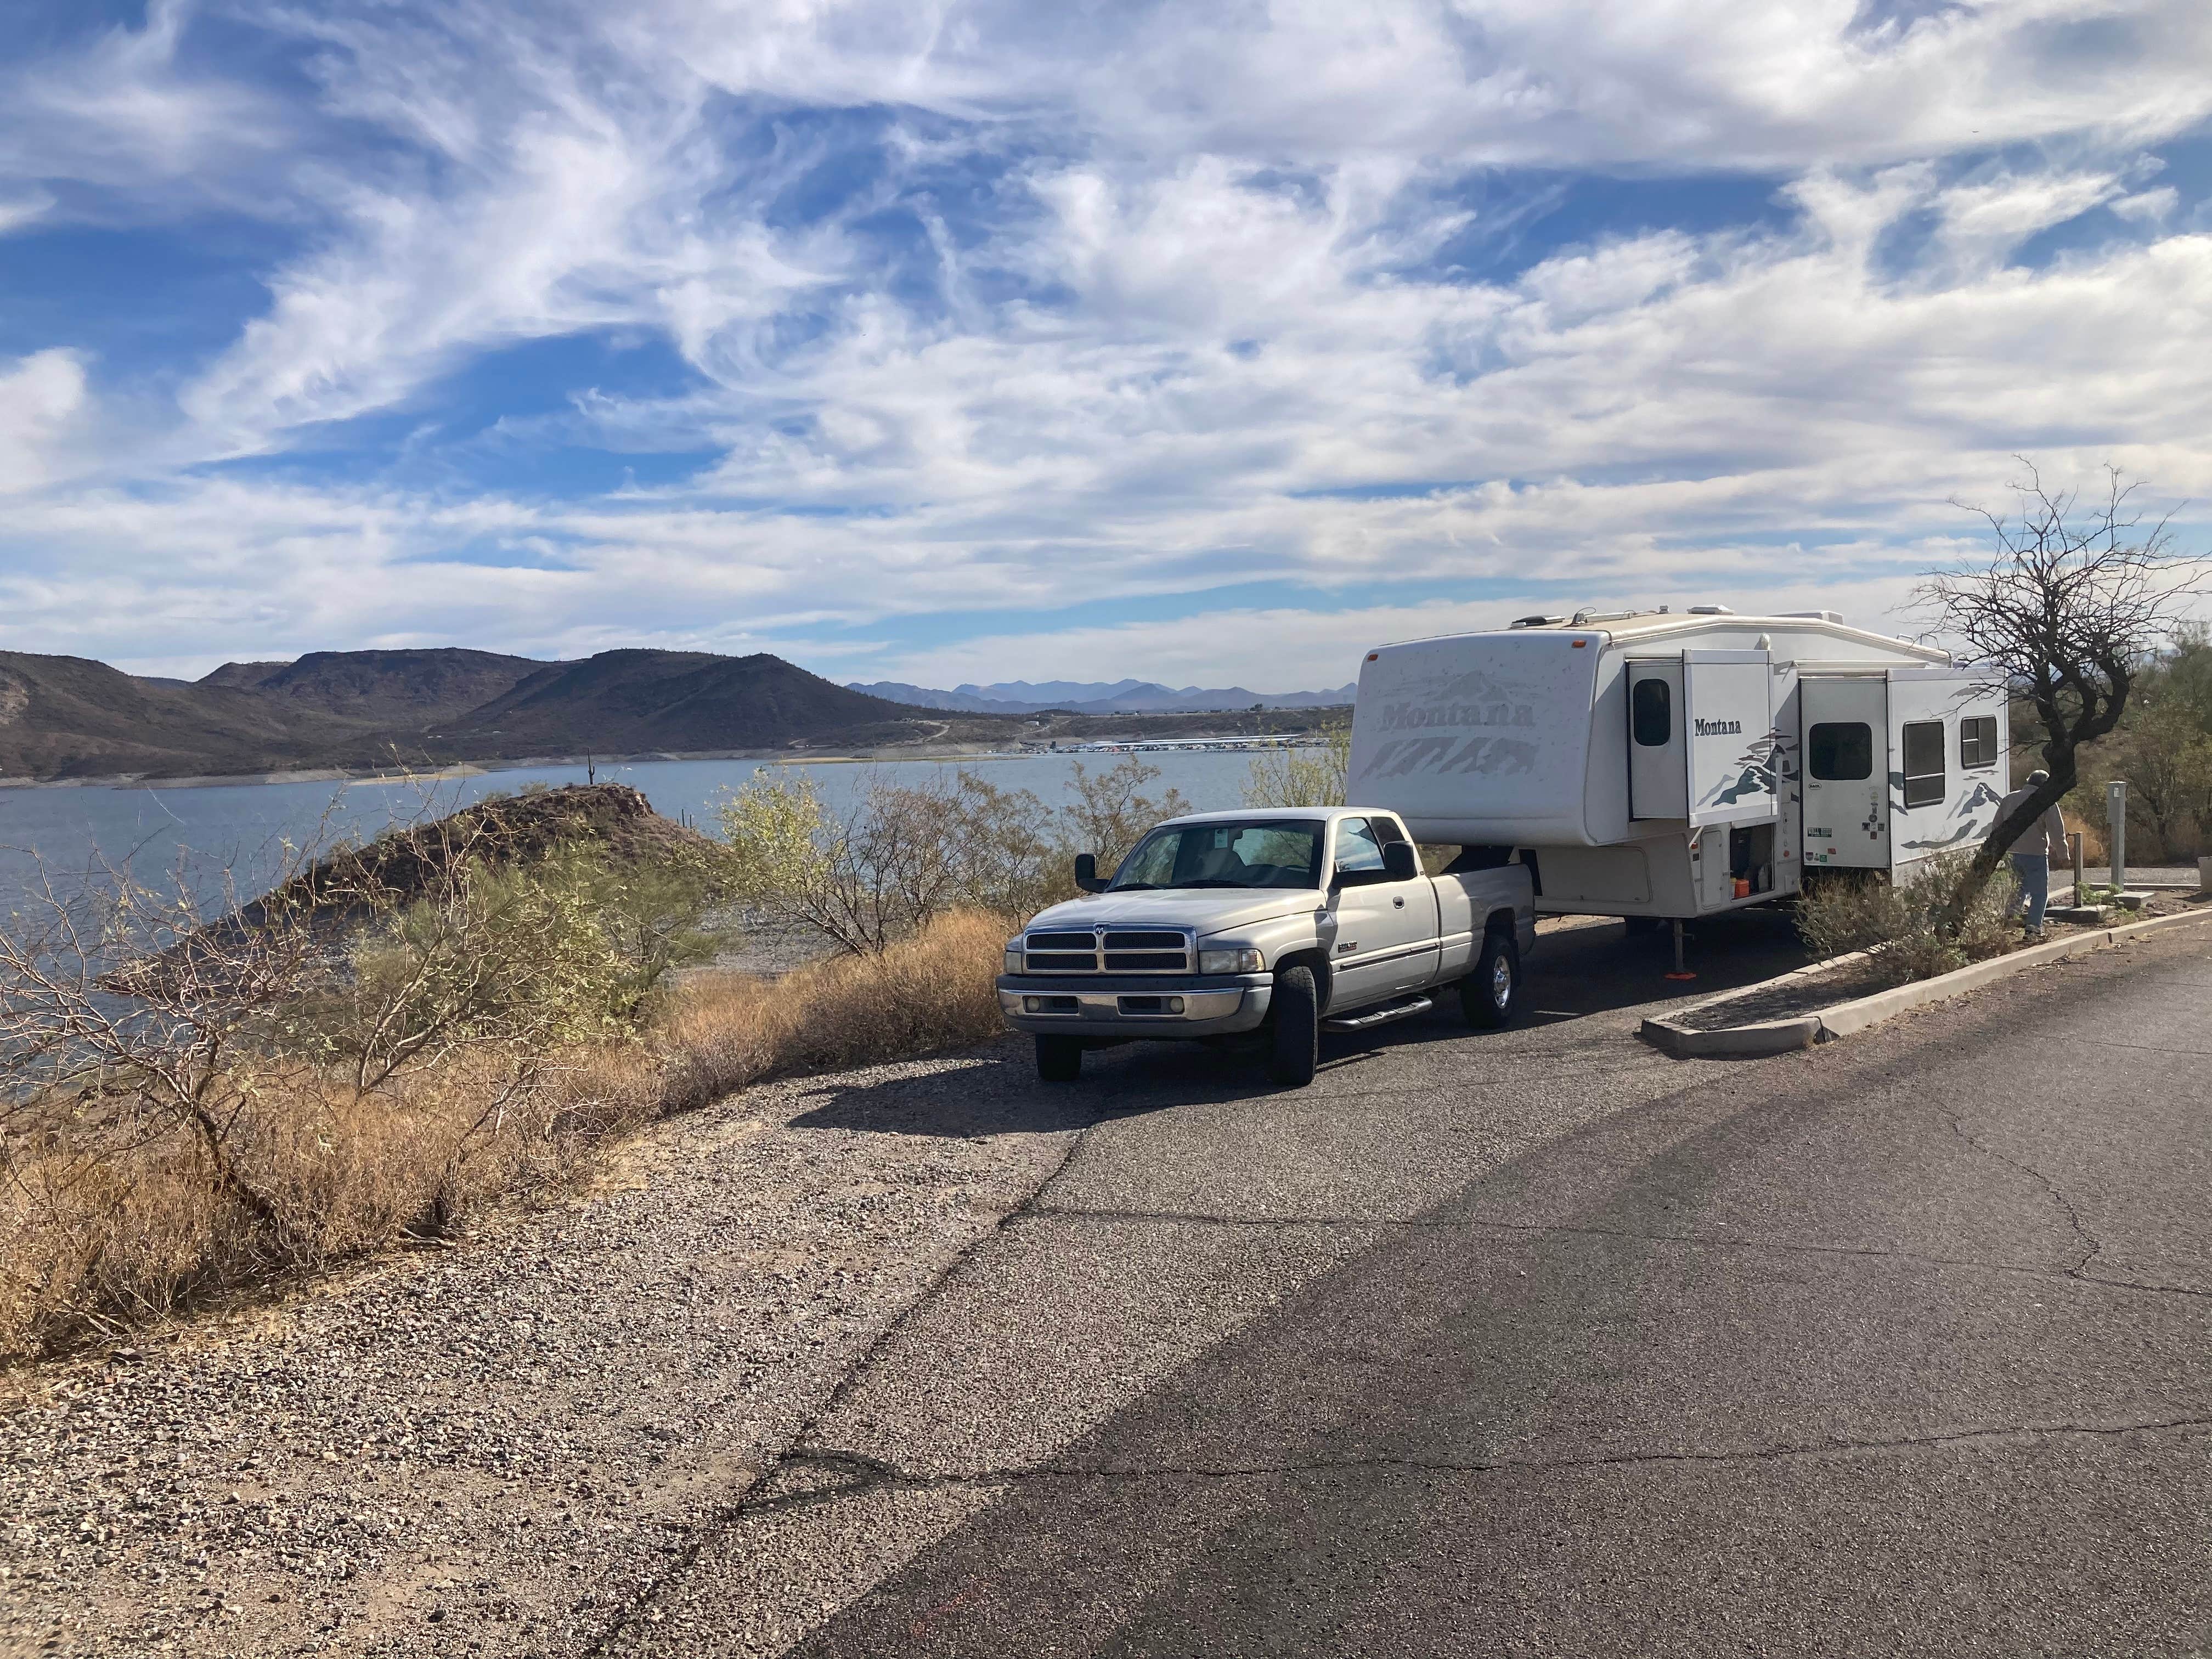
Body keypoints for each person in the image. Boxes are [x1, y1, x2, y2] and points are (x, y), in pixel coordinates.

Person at [1994, 769, 2071, 938]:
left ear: (2028, 781)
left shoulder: (2009, 799)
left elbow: (1997, 826)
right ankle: (2033, 928)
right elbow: (2057, 831)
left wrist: (1998, 850)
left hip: (2012, 853)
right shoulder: (2047, 801)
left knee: (2017, 890)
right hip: (2035, 854)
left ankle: (2009, 924)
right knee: (2039, 894)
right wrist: (2063, 854)